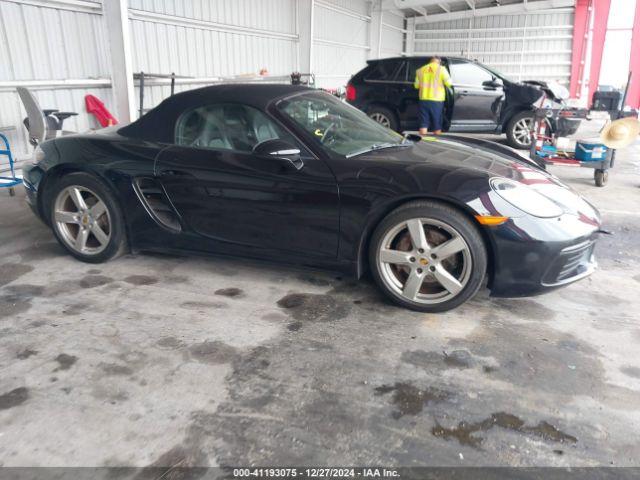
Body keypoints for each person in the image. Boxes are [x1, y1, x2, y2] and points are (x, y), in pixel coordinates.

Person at [414, 56, 452, 136]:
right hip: (436, 100)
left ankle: (423, 142)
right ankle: (436, 143)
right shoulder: (441, 69)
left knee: (423, 123)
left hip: (423, 99)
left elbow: (416, 86)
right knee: (436, 123)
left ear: (430, 61)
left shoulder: (420, 70)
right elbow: (449, 83)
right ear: (439, 62)